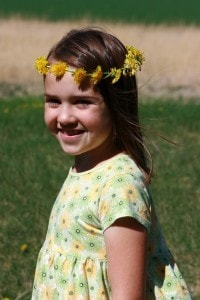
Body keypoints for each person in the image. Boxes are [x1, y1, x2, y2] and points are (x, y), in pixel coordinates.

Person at [32, 27, 192, 299]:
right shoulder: (86, 167)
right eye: (53, 101)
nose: (65, 116)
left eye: (82, 102)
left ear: (116, 106)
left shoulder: (119, 185)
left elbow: (127, 295)